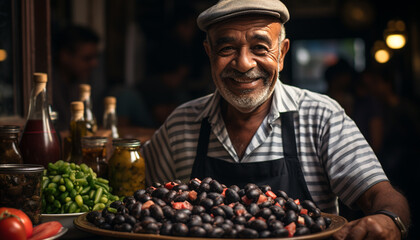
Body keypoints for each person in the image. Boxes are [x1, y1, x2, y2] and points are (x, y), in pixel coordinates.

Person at [141, 0, 410, 239]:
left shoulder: (321, 117)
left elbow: (381, 194)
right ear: (209, 53)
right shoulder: (181, 125)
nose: (244, 63)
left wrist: (389, 220)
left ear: (281, 53)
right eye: (226, 49)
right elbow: (139, 197)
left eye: (259, 47)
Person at [52, 25, 100, 131]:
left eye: (95, 57)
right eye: (87, 58)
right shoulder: (49, 88)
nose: (94, 64)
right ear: (64, 56)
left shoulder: (81, 83)